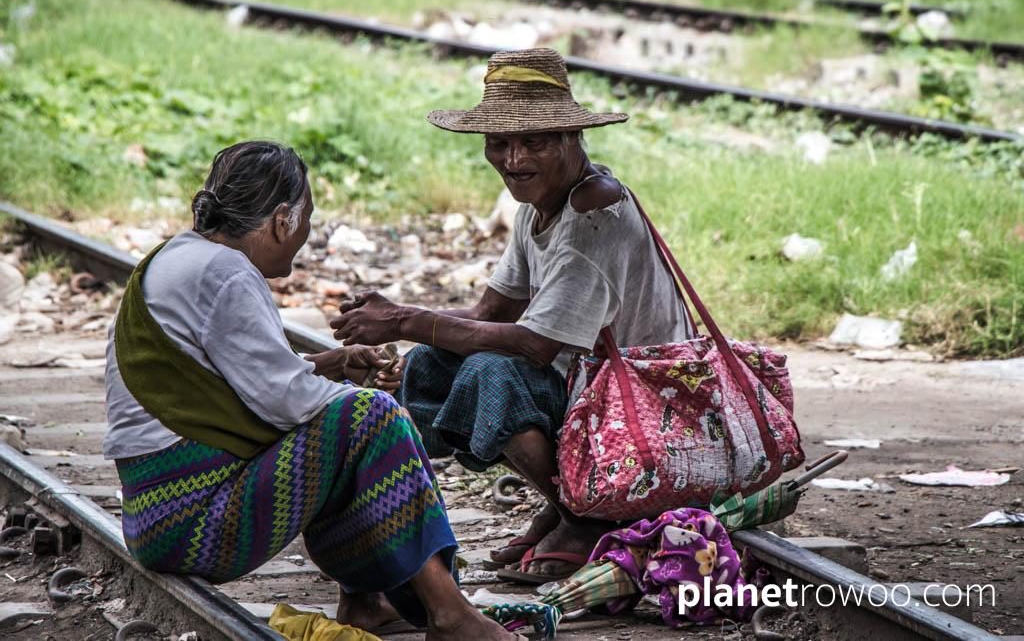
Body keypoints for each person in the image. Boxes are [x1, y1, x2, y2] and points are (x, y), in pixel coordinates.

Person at [103, 140, 517, 640]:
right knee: (373, 418)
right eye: (306, 220)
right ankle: (450, 613)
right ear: (282, 220)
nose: (304, 233)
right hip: (194, 522)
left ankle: (365, 602)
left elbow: (241, 379)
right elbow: (286, 402)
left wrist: (332, 365)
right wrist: (377, 413)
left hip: (157, 516)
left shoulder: (174, 257)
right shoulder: (227, 273)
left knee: (345, 424)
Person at [330, 48, 694, 582]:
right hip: (589, 389)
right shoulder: (539, 206)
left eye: (534, 142)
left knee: (489, 374)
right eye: (499, 143)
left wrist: (405, 319)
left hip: (643, 403)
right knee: (432, 364)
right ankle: (567, 498)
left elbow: (533, 345)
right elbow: (488, 312)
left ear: (572, 138)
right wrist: (397, 330)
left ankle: (584, 517)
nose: (513, 159)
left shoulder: (594, 213)